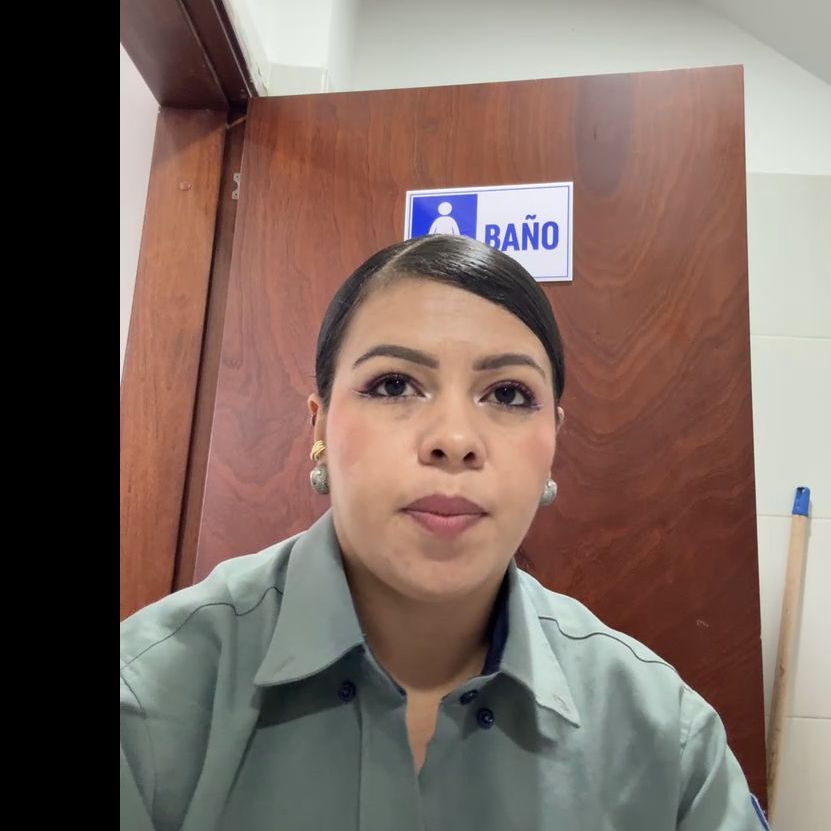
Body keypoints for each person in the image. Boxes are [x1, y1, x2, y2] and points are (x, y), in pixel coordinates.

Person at [121, 234, 768, 830]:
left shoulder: (668, 739)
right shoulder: (145, 701)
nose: (455, 440)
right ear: (318, 425)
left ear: (553, 443)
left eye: (508, 395)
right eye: (394, 384)